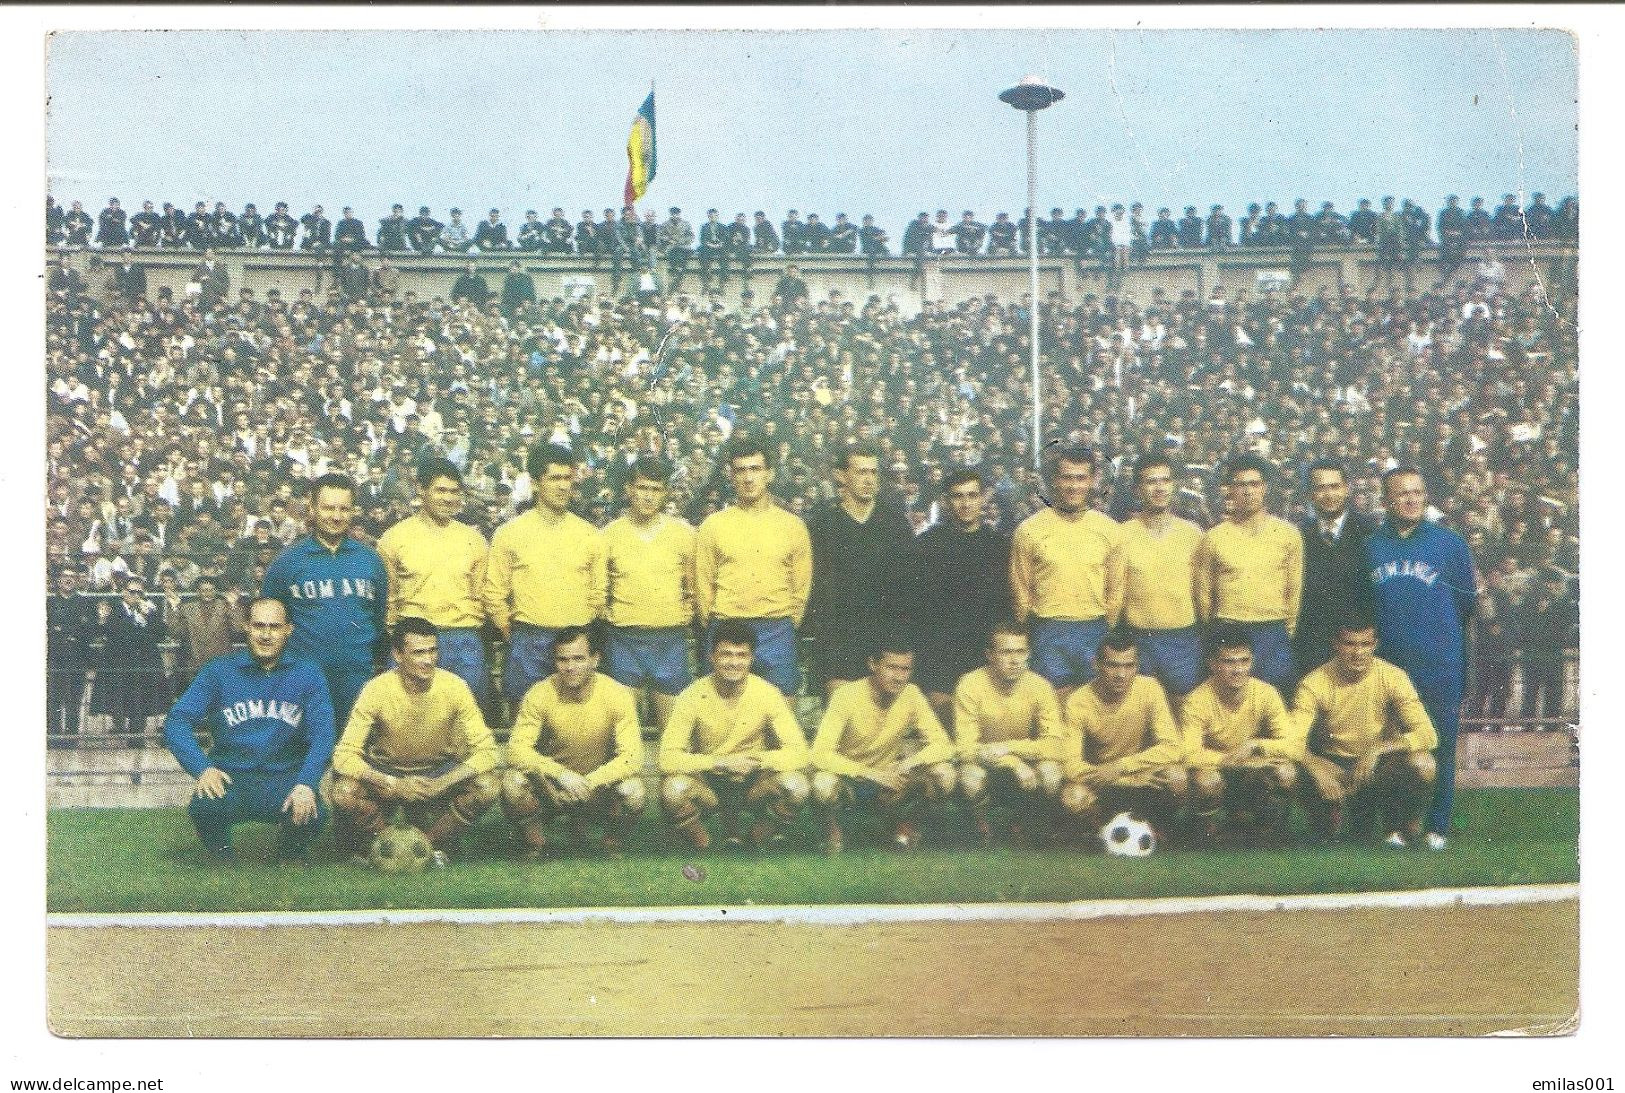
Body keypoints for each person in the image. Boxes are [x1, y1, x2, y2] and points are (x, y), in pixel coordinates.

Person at [162, 597, 334, 864]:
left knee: (313, 813)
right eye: (259, 626)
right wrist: (201, 768)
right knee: (205, 807)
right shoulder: (219, 671)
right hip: (232, 778)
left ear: (288, 629)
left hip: (284, 778)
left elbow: (323, 734)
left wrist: (307, 783)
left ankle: (288, 855)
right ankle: (222, 856)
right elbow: (176, 721)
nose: (266, 635)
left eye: (274, 627)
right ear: (246, 627)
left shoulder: (308, 674)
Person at [1365, 467, 1476, 850]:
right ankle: (1394, 825)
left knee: (1442, 747)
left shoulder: (1449, 544)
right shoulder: (1372, 546)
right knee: (1392, 748)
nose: (1411, 499)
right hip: (1390, 668)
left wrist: (1460, 663)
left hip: (1439, 664)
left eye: (1418, 492)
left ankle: (1437, 826)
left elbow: (1465, 607)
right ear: (1385, 501)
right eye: (1401, 494)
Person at [330, 618, 501, 864]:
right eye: (419, 653)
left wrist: (444, 782)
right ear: (398, 655)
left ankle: (428, 844)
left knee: (488, 786)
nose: (429, 660)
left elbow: (488, 751)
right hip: (387, 773)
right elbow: (343, 755)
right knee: (343, 791)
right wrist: (391, 783)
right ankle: (385, 841)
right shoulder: (376, 689)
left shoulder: (455, 687)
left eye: (433, 651)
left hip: (436, 772)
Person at [658, 620, 811, 851]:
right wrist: (719, 762)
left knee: (797, 786)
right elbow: (667, 758)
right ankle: (703, 843)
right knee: (673, 790)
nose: (734, 662)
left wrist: (758, 761)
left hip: (754, 782)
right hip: (709, 782)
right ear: (712, 657)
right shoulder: (691, 696)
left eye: (742, 655)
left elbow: (800, 753)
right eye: (726, 654)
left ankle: (756, 837)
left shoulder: (768, 693)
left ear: (751, 659)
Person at [501, 625, 646, 858]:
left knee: (634, 791)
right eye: (562, 660)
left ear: (595, 660)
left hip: (599, 787)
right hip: (553, 788)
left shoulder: (617, 694)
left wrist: (590, 782)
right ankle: (536, 845)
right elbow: (516, 750)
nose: (570, 667)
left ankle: (611, 843)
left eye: (578, 659)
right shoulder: (539, 693)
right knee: (512, 783)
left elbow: (632, 757)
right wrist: (561, 775)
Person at [1293, 615, 1438, 848]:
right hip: (1334, 765)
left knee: (1424, 763)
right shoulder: (1314, 683)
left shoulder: (1393, 677)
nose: (1357, 653)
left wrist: (1377, 750)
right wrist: (1316, 769)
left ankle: (1409, 829)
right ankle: (1328, 818)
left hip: (1376, 764)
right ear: (1336, 645)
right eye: (1350, 644)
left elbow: (1428, 734)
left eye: (1365, 644)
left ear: (1375, 645)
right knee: (1330, 835)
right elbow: (1292, 741)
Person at [484, 443, 606, 711]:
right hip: (529, 641)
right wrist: (511, 631)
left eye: (568, 479)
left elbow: (598, 594)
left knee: (575, 724)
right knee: (527, 724)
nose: (563, 486)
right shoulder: (510, 534)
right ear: (536, 482)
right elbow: (494, 594)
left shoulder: (589, 535)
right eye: (554, 478)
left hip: (575, 641)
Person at [263, 473, 389, 731]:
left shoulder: (370, 560)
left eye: (344, 509)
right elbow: (270, 622)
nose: (336, 516)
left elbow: (378, 620)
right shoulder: (287, 562)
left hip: (357, 679)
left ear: (354, 511)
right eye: (328, 508)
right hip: (303, 680)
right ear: (311, 509)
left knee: (351, 759)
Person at [809, 635, 957, 853]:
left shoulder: (912, 694)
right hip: (850, 779)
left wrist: (909, 763)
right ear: (873, 665)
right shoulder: (846, 695)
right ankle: (833, 832)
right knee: (823, 783)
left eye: (905, 669)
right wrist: (868, 773)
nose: (899, 677)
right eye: (892, 668)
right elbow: (820, 753)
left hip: (891, 777)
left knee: (944, 773)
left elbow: (943, 744)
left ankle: (905, 829)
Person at [694, 435, 812, 696]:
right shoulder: (713, 525)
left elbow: (800, 587)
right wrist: (718, 622)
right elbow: (702, 587)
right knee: (718, 714)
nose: (748, 478)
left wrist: (785, 622)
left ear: (769, 474)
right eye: (741, 470)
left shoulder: (793, 526)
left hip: (776, 629)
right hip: (726, 626)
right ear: (731, 476)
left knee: (781, 715)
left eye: (755, 469)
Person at [1011, 444, 1123, 698]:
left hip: (1093, 628)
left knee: (1094, 704)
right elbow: (1021, 588)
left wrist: (1106, 627)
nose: (1074, 486)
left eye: (1081, 478)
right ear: (1054, 481)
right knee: (1053, 704)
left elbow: (1115, 589)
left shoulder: (1109, 529)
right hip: (1047, 629)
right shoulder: (1029, 530)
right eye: (1066, 478)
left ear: (1093, 481)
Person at [376, 459, 490, 705]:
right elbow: (389, 598)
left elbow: (481, 595)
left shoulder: (474, 540)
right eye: (440, 490)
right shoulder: (394, 538)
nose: (448, 499)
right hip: (413, 638)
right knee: (407, 717)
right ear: (421, 489)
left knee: (464, 720)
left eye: (454, 492)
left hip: (463, 640)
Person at [805, 444, 915, 699]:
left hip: (884, 636)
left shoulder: (895, 523)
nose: (868, 480)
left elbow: (908, 585)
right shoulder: (823, 524)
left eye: (873, 473)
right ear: (842, 476)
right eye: (860, 472)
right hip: (839, 636)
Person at [1056, 628, 1187, 840]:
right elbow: (1069, 764)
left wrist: (1122, 768)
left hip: (1141, 777)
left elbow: (1172, 747)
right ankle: (1101, 829)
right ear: (1096, 665)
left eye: (1129, 666)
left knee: (1176, 777)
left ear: (1137, 666)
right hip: (1101, 782)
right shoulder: (1078, 701)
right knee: (1073, 797)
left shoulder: (1150, 689)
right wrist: (1117, 777)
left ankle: (1159, 827)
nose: (1121, 674)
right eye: (1112, 665)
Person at [907, 469, 1011, 728]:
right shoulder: (926, 545)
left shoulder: (999, 545)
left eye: (972, 496)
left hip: (983, 648)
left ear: (984, 498)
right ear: (945, 501)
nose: (966, 504)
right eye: (958, 497)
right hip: (940, 650)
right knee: (944, 727)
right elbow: (916, 604)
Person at [1181, 624, 1302, 845]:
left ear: (1252, 662)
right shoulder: (1196, 700)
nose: (1238, 670)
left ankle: (1269, 833)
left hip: (1250, 772)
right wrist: (1228, 761)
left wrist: (1257, 746)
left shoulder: (1266, 693)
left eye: (1244, 661)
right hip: (1218, 772)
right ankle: (1205, 834)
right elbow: (1188, 754)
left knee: (1286, 772)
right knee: (1207, 781)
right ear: (1213, 664)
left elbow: (1294, 746)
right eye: (1229, 662)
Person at [1193, 454, 1302, 693]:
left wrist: (1286, 630)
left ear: (1265, 488)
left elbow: (1293, 590)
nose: (1248, 491)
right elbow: (1203, 594)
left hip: (1272, 631)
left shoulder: (1287, 534)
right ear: (1229, 490)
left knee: (1276, 698)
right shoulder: (1214, 537)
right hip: (1230, 628)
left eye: (1254, 484)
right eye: (1241, 485)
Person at [601, 456, 695, 731]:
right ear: (629, 489)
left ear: (665, 493)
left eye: (656, 490)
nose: (648, 497)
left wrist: (681, 615)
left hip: (669, 639)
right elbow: (599, 589)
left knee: (673, 729)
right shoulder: (609, 535)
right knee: (625, 729)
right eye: (642, 488)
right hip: (624, 639)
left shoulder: (684, 534)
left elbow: (692, 588)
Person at [952, 621, 1065, 846]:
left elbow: (1054, 745)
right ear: (990, 655)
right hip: (984, 762)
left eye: (1020, 652)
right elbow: (965, 748)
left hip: (1026, 765)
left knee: (1051, 771)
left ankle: (1031, 825)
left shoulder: (1041, 686)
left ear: (1028, 654)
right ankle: (981, 829)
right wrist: (1012, 762)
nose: (1014, 661)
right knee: (969, 778)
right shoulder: (970, 684)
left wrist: (1009, 749)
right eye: (1006, 652)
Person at [1115, 453, 1204, 702]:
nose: (1159, 488)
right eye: (1150, 481)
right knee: (1139, 709)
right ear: (1137, 488)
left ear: (1174, 485)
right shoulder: (1122, 534)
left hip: (1182, 638)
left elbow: (1203, 591)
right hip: (1138, 637)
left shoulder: (1193, 534)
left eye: (1165, 481)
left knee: (1184, 711)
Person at [1294, 458, 1375, 680]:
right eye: (1321, 488)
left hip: (1358, 644)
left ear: (1347, 489)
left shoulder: (1370, 531)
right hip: (1312, 644)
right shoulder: (1298, 535)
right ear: (1310, 494)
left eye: (1335, 486)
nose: (1329, 495)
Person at [89, 576, 170, 744]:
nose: (136, 596)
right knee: (121, 701)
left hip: (144, 662)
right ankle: (121, 728)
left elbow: (162, 633)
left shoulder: (149, 609)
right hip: (120, 663)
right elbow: (110, 631)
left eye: (140, 592)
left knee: (141, 701)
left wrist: (148, 616)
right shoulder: (114, 610)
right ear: (124, 592)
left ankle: (136, 738)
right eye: (132, 592)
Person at [168, 574, 243, 689]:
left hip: (221, 663)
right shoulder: (187, 608)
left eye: (211, 590)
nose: (207, 593)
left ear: (216, 590)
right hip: (196, 665)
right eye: (204, 590)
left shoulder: (225, 606)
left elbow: (238, 628)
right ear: (198, 591)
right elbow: (175, 632)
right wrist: (174, 608)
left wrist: (233, 605)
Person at [47, 568, 95, 742]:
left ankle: (71, 737)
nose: (68, 580)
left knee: (74, 698)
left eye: (72, 577)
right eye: (64, 577)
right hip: (55, 658)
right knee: (53, 698)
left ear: (77, 580)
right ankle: (53, 736)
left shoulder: (84, 603)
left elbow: (89, 631)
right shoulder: (49, 602)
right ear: (58, 580)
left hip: (77, 658)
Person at [659, 206, 694, 294]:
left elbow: (691, 236)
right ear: (670, 215)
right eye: (673, 214)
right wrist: (668, 239)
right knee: (674, 253)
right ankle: (677, 271)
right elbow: (660, 235)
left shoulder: (686, 224)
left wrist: (682, 241)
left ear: (679, 215)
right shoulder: (665, 224)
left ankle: (678, 272)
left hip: (683, 247)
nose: (675, 216)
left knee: (681, 253)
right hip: (671, 247)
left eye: (676, 214)